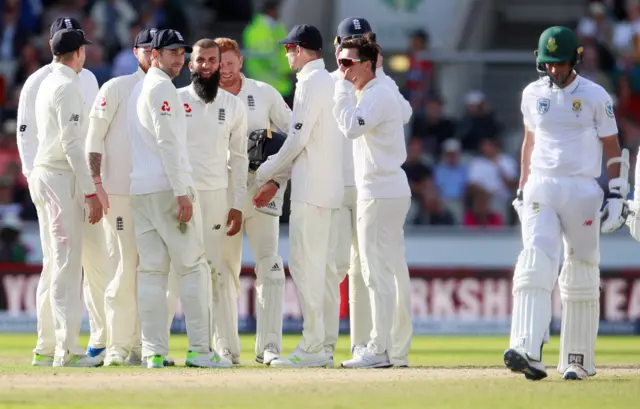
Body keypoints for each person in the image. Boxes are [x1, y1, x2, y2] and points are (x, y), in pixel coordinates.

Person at [505, 26, 628, 381]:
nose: (555, 71)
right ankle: (528, 348)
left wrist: (618, 193)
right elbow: (530, 142)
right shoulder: (532, 93)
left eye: (560, 63)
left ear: (575, 59)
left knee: (580, 268)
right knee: (535, 258)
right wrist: (522, 186)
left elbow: (611, 144)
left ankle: (578, 359)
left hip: (582, 188)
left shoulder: (595, 95)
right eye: (548, 64)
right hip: (541, 186)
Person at [129, 29, 231, 369]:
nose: (179, 58)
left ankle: (153, 352)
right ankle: (200, 351)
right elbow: (170, 144)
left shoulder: (142, 87)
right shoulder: (163, 90)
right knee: (193, 268)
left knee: (153, 273)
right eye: (171, 52)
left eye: (181, 52)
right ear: (154, 55)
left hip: (141, 191)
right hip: (166, 191)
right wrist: (181, 193)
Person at [17, 17, 108, 367]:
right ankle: (62, 349)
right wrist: (90, 191)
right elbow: (71, 144)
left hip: (57, 175)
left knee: (65, 264)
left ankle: (58, 348)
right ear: (79, 52)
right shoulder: (59, 84)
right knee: (64, 265)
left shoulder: (60, 80)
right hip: (59, 177)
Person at [253, 24, 343, 367]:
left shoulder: (310, 82)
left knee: (307, 269)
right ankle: (322, 346)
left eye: (290, 49)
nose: (287, 55)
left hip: (313, 190)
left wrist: (264, 172)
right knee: (320, 270)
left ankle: (312, 348)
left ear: (303, 49)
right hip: (327, 188)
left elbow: (296, 140)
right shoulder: (329, 81)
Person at [328, 16, 414, 367]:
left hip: (378, 190)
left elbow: (349, 127)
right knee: (390, 270)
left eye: (349, 63)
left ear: (367, 63)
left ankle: (379, 349)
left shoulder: (374, 92)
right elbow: (405, 111)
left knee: (377, 273)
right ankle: (395, 349)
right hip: (388, 188)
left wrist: (343, 89)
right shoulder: (381, 90)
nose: (344, 69)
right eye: (341, 63)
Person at [86, 28, 163, 367]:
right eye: (147, 49)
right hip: (118, 192)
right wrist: (97, 183)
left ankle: (143, 346)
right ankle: (117, 345)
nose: (152, 54)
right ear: (136, 52)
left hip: (153, 194)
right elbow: (94, 137)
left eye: (157, 49)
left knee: (152, 272)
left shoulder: (165, 91)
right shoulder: (117, 87)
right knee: (121, 268)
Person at [215, 36, 291, 365]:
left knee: (271, 267)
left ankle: (269, 348)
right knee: (223, 270)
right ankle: (225, 349)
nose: (225, 71)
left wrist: (276, 180)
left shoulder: (264, 93)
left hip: (261, 187)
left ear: (240, 61)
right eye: (219, 65)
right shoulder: (201, 97)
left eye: (230, 64)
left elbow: (296, 139)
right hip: (221, 192)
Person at [176, 38, 248, 364]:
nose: (205, 66)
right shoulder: (176, 101)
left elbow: (240, 158)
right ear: (190, 64)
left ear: (220, 64)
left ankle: (214, 349)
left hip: (217, 196)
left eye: (211, 60)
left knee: (213, 272)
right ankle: (155, 351)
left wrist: (237, 203)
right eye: (199, 60)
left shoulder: (232, 106)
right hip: (182, 197)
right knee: (174, 272)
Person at [242, 0, 292, 104]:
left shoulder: (274, 26)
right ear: (272, 10)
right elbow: (267, 56)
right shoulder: (262, 29)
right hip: (270, 83)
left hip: (277, 84)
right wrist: (284, 70)